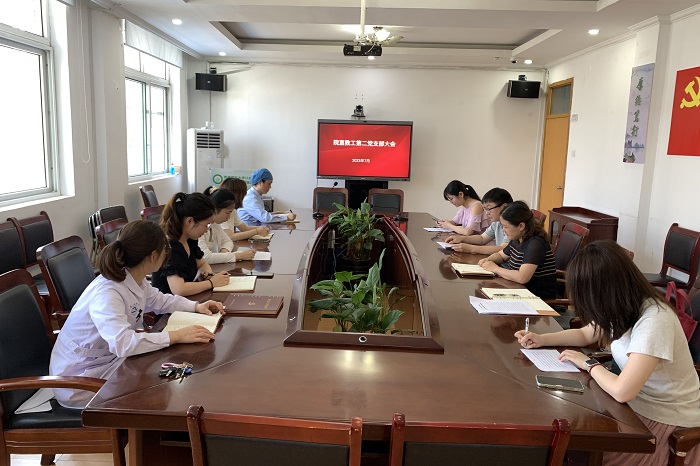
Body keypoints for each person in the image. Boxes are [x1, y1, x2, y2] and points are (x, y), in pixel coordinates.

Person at [514, 240, 700, 466]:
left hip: (662, 420)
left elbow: (623, 391)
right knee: (566, 440)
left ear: (605, 291)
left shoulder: (655, 320)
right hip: (628, 409)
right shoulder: (624, 306)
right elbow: (585, 334)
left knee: (577, 452)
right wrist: (542, 339)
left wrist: (589, 364)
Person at [49, 220, 223, 409]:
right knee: (163, 390)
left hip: (109, 361)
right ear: (153, 256)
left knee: (165, 376)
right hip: (81, 380)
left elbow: (160, 300)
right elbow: (123, 343)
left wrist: (196, 306)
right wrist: (176, 336)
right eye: (165, 249)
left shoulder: (132, 277)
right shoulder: (107, 293)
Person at [151, 192, 230, 296]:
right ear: (189, 221)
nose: (207, 230)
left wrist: (208, 273)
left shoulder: (189, 240)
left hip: (185, 300)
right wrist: (211, 283)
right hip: (168, 304)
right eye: (206, 225)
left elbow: (202, 263)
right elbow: (179, 289)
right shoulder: (172, 247)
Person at [478, 200, 556, 299]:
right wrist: (488, 260)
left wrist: (495, 269)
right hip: (518, 290)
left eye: (506, 227)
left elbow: (522, 277)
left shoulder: (535, 244)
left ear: (521, 226)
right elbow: (501, 256)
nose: (503, 230)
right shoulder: (517, 238)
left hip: (536, 298)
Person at [445, 187, 513, 254]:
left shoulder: (512, 224)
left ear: (504, 207)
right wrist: (461, 239)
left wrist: (471, 249)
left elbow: (503, 248)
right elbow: (482, 238)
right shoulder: (496, 223)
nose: (487, 213)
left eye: (489, 208)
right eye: (485, 209)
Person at [199, 186, 256, 264]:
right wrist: (238, 256)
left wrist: (224, 253)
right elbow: (206, 257)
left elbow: (228, 241)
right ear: (215, 210)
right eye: (227, 213)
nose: (229, 217)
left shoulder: (215, 224)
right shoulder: (199, 227)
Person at [218, 177, 270, 241]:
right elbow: (231, 237)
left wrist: (262, 228)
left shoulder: (233, 210)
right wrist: (256, 231)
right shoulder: (221, 212)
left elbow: (244, 228)